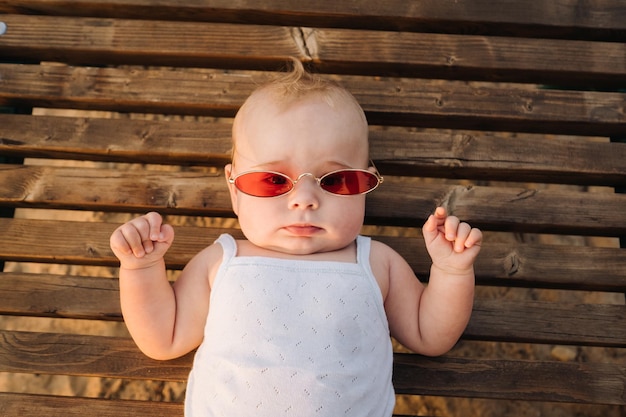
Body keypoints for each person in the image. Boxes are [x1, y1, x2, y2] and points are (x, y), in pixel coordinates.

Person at [110, 60, 482, 416]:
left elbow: (430, 336)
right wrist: (141, 268)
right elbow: (164, 338)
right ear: (235, 192)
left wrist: (451, 273)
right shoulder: (223, 261)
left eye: (335, 180)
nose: (304, 199)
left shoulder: (376, 263)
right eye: (272, 180)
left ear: (365, 186)